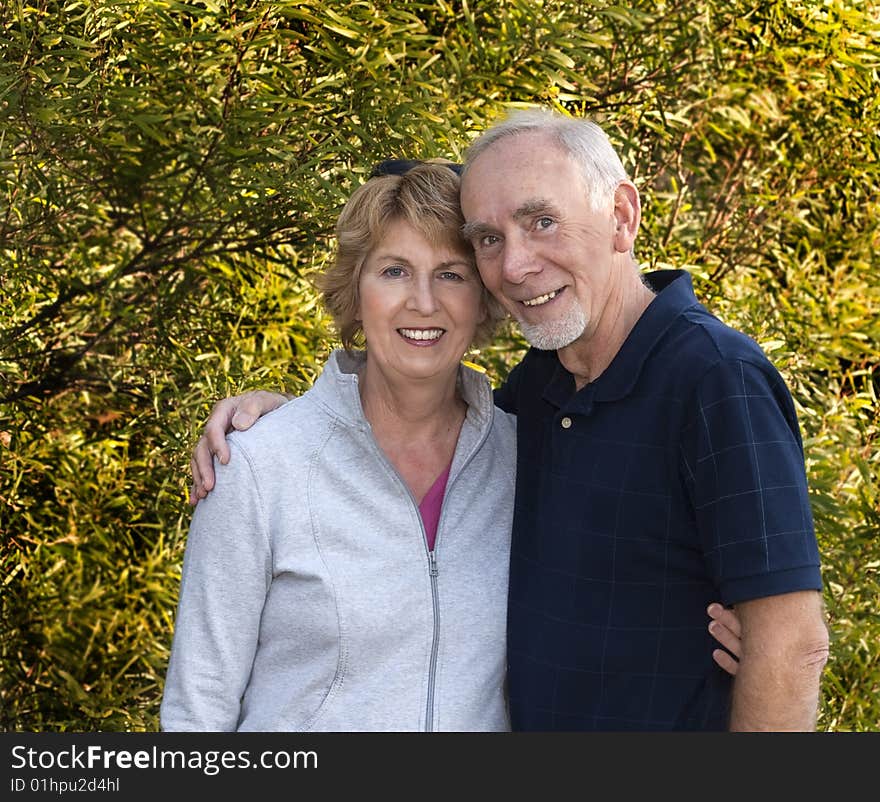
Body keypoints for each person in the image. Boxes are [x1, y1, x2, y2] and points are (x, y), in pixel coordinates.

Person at [190, 111, 803, 731]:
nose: (515, 265)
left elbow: (792, 643)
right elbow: (199, 709)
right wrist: (286, 423)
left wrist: (775, 658)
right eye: (489, 239)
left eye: (542, 222)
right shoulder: (533, 403)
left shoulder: (711, 379)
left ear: (622, 218)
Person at [160, 162, 517, 731]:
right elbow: (198, 706)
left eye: (451, 274)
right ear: (354, 294)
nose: (423, 302)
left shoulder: (525, 461)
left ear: (483, 300)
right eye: (395, 271)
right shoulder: (259, 464)